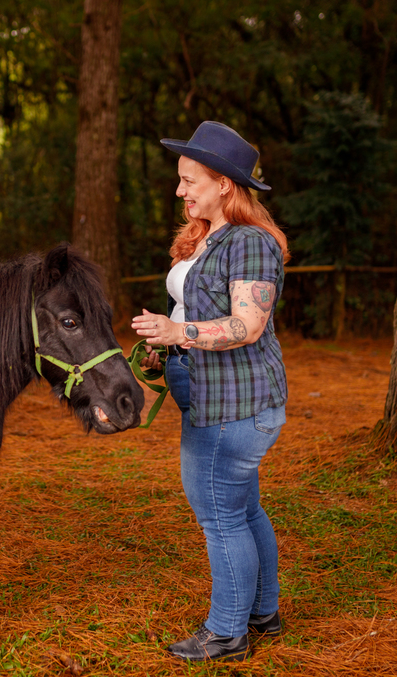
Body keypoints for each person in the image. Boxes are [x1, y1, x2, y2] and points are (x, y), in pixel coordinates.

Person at [131, 121, 290, 663]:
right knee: (244, 510)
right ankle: (262, 613)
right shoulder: (208, 236)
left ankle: (227, 632)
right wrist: (167, 345)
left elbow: (247, 325)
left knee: (220, 514)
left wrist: (181, 334)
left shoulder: (250, 243)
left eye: (189, 180)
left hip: (236, 406)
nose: (180, 190)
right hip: (209, 395)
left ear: (224, 182)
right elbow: (197, 313)